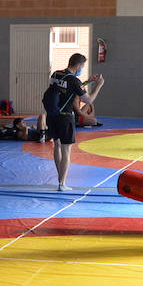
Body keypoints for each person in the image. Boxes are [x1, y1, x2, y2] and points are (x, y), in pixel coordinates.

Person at [42, 53, 103, 191]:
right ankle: (62, 184)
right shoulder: (74, 81)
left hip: (52, 115)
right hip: (65, 117)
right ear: (78, 66)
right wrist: (98, 85)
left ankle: (60, 179)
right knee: (66, 150)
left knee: (57, 146)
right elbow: (88, 100)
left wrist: (87, 81)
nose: (82, 68)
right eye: (82, 66)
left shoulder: (56, 74)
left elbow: (65, 88)